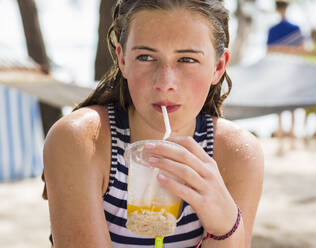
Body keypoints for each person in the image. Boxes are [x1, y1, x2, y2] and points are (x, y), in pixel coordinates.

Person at [42, 1, 264, 247]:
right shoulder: (82, 141)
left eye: (187, 59)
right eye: (146, 57)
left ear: (218, 66)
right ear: (123, 60)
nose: (165, 82)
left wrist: (225, 226)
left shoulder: (236, 154)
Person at [267, 0, 304, 155]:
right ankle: (283, 140)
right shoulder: (291, 28)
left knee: (289, 105)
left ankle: (288, 140)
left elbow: (269, 51)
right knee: (284, 106)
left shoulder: (288, 28)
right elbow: (301, 50)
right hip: (284, 70)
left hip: (286, 70)